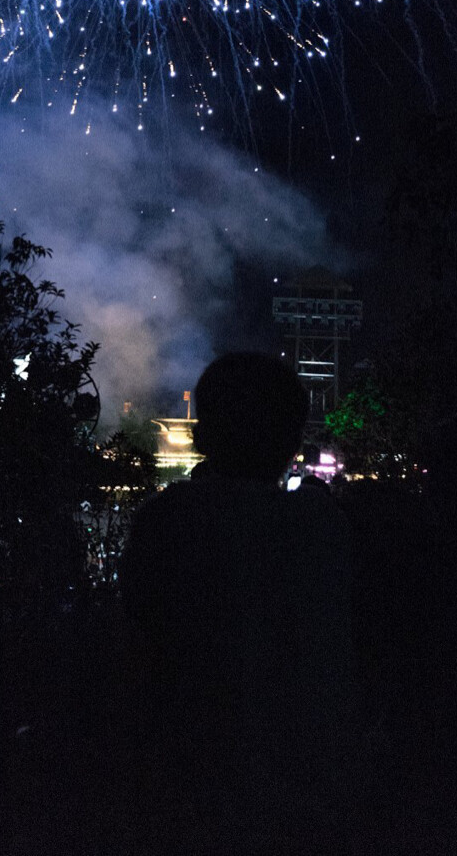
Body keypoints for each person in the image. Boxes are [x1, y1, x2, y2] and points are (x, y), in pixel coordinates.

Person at [120, 352, 352, 855]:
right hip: (303, 802)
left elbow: (136, 654)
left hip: (180, 793)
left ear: (203, 437)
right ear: (292, 441)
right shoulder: (323, 530)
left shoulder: (165, 523)